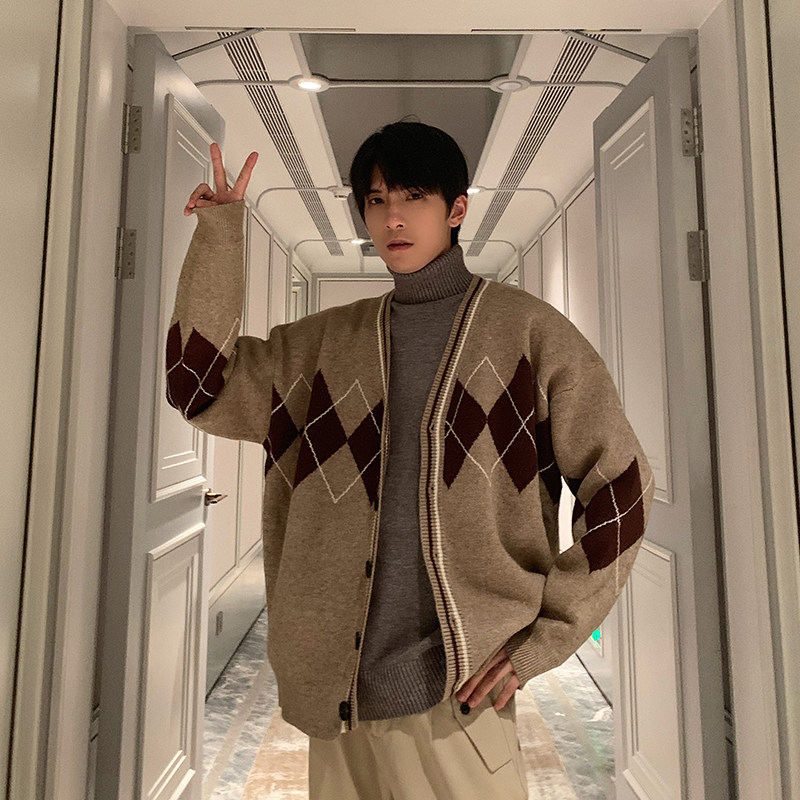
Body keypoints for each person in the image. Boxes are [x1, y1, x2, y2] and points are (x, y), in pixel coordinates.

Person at [167, 121, 654, 799]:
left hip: (458, 697)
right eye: (376, 200)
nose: (391, 217)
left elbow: (622, 489)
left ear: (456, 209)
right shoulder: (322, 347)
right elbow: (196, 387)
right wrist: (220, 235)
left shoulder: (529, 334)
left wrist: (547, 638)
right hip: (336, 698)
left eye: (413, 196)